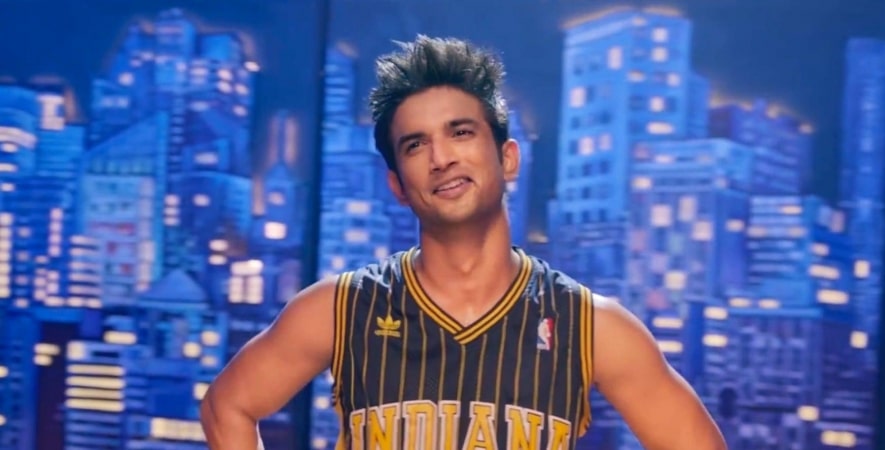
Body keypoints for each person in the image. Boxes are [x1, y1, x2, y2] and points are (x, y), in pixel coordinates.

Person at [200, 35, 727, 450]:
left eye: (461, 132)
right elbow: (228, 406)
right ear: (397, 185)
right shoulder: (341, 308)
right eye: (416, 145)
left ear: (508, 158)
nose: (441, 158)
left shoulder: (590, 325)